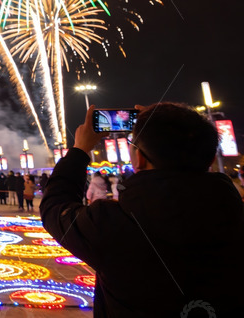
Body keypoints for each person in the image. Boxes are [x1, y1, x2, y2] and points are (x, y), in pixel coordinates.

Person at [41, 103, 244, 317]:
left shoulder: (110, 223)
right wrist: (164, 124)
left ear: (139, 158)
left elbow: (54, 206)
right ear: (211, 159)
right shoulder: (236, 216)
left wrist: (80, 151)